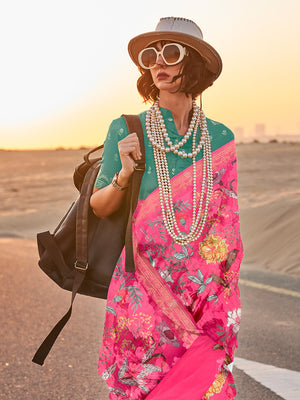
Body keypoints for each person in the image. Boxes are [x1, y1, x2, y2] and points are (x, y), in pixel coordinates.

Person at [90, 17, 243, 400]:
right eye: (150, 56)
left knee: (199, 382)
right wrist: (124, 174)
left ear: (192, 64)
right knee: (142, 385)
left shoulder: (221, 137)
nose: (158, 63)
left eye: (170, 53)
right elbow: (99, 207)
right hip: (142, 284)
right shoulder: (126, 128)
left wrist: (219, 291)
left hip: (200, 292)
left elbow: (225, 224)